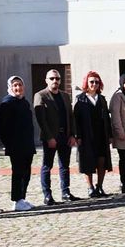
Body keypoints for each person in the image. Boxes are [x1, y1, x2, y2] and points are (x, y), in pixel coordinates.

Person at [33, 69, 78, 205]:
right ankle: (47, 195)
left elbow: (71, 116)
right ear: (46, 80)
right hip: (51, 137)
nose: (55, 81)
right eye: (52, 78)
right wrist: (49, 137)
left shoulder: (65, 96)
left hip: (65, 135)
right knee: (47, 166)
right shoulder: (41, 95)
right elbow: (41, 120)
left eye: (57, 79)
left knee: (65, 166)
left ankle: (65, 192)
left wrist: (72, 135)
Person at [0, 76, 36, 211]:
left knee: (26, 172)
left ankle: (22, 198)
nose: (18, 88)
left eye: (20, 85)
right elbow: (2, 126)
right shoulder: (7, 103)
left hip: (27, 144)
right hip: (16, 146)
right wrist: (9, 143)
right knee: (18, 173)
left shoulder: (24, 102)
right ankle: (16, 200)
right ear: (10, 87)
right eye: (15, 86)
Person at [74, 71, 113, 198]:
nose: (94, 84)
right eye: (91, 82)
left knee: (101, 161)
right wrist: (77, 136)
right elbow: (76, 120)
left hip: (101, 135)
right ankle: (90, 188)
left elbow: (107, 118)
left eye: (96, 82)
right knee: (88, 162)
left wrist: (110, 135)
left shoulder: (102, 99)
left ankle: (99, 186)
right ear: (87, 83)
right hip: (86, 136)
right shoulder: (80, 99)